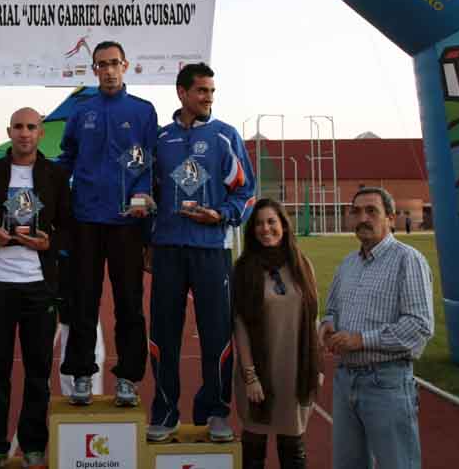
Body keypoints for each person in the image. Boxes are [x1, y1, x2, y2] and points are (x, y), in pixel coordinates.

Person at [145, 62, 255, 443]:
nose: (208, 97)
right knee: (163, 333)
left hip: (211, 249)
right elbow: (148, 192)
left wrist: (221, 215)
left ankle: (217, 412)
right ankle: (165, 411)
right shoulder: (160, 139)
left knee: (216, 334)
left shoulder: (225, 137)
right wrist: (148, 237)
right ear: (182, 93)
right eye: (201, 91)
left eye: (211, 91)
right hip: (169, 249)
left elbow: (246, 192)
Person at [0, 107, 71, 469]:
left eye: (32, 127)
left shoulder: (55, 175)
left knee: (38, 372)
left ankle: (34, 445)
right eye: (19, 127)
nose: (25, 133)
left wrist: (48, 242)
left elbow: (69, 227)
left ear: (41, 133)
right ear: (9, 132)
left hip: (38, 288)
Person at [58, 41, 158, 407]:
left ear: (126, 65)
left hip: (126, 223)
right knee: (83, 300)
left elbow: (149, 163)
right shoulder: (81, 111)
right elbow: (66, 158)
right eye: (102, 65)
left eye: (114, 63)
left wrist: (143, 200)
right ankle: (82, 373)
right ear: (94, 69)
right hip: (85, 219)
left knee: (129, 303)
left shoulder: (143, 111)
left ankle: (129, 378)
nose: (109, 70)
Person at [319, 186, 434, 469]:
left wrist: (361, 340)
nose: (363, 218)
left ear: (391, 218)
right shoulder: (347, 264)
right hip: (346, 381)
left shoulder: (408, 260)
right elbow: (332, 310)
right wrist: (327, 326)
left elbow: (419, 327)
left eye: (372, 211)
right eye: (356, 211)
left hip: (386, 383)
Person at [233, 199, 321, 469]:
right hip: (258, 373)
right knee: (254, 447)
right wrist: (250, 376)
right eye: (259, 223)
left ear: (283, 225)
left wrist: (315, 366)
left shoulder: (302, 265)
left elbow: (313, 317)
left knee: (292, 447)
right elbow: (240, 326)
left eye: (271, 221)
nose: (265, 228)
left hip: (294, 371)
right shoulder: (244, 268)